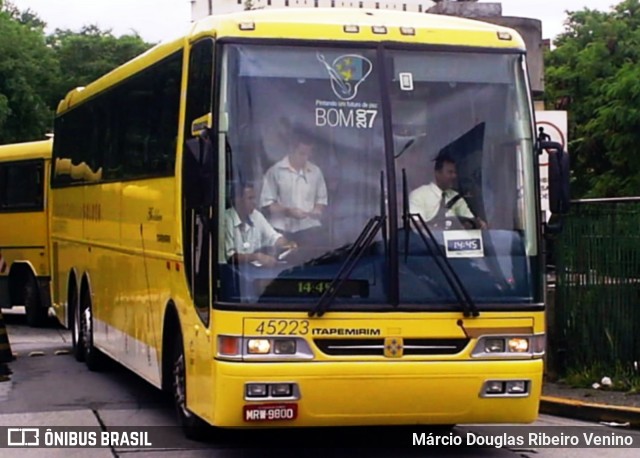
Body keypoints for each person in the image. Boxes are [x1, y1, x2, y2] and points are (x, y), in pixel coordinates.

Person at [259, 129, 328, 244]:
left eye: (308, 154)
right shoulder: (275, 171)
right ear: (292, 149)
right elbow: (267, 204)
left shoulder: (316, 172)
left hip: (309, 229)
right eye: (301, 154)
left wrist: (317, 210)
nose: (305, 158)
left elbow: (321, 200)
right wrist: (288, 211)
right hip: (281, 230)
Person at [225, 182, 296, 267]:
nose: (254, 202)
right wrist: (255, 257)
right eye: (250, 198)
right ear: (238, 200)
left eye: (254, 198)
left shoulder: (256, 215)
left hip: (256, 272)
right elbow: (229, 257)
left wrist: (288, 245)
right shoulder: (226, 220)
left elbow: (273, 237)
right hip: (233, 273)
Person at [409, 155, 486, 230]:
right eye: (450, 172)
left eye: (455, 172)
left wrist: (476, 224)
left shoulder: (456, 197)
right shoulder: (418, 195)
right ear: (437, 173)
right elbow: (416, 225)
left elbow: (469, 219)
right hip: (430, 241)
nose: (454, 176)